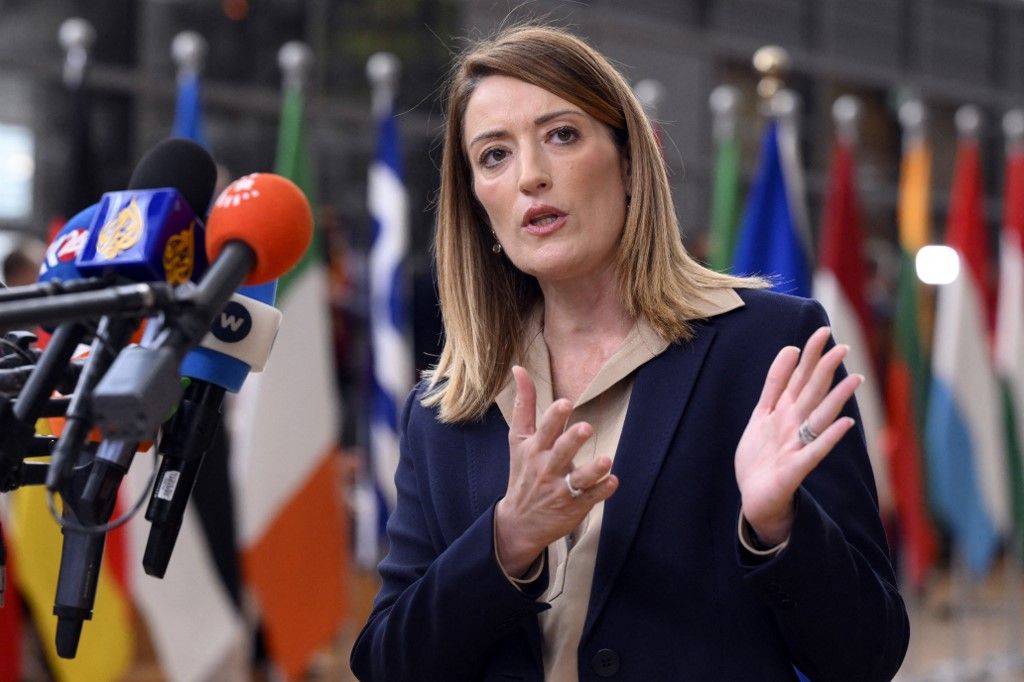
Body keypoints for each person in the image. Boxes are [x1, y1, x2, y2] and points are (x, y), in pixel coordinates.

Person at [351, 24, 908, 681]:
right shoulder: (446, 407)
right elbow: (388, 664)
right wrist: (507, 540)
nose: (531, 176)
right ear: (479, 210)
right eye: (495, 156)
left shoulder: (766, 346)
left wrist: (775, 528)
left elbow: (867, 655)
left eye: (561, 134)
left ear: (629, 163)